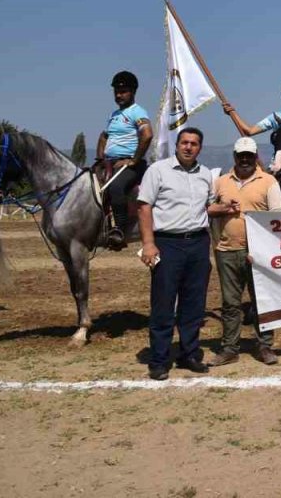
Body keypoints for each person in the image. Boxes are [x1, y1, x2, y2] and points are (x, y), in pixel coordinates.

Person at [136, 127, 214, 380]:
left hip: (199, 243)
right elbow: (144, 207)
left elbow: (208, 207)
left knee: (194, 304)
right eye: (184, 143)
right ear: (177, 145)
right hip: (167, 244)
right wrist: (148, 243)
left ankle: (189, 354)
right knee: (164, 303)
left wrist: (224, 207)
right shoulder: (157, 171)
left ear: (200, 147)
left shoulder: (205, 175)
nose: (189, 147)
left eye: (194, 143)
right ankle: (159, 359)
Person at [207, 137, 281, 367]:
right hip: (226, 250)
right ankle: (230, 348)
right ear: (234, 157)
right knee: (230, 303)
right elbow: (208, 209)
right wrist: (222, 208)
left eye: (248, 156)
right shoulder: (220, 182)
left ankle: (265, 345)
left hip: (258, 253)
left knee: (262, 300)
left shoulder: (269, 181)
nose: (244, 160)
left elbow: (277, 218)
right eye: (241, 156)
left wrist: (265, 249)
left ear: (255, 157)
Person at [95, 70, 153, 251]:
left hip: (129, 165)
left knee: (115, 187)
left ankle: (119, 231)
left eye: (123, 91)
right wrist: (99, 158)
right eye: (116, 92)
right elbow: (104, 136)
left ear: (133, 92)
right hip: (110, 163)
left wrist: (134, 160)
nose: (119, 95)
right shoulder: (114, 115)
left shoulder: (138, 112)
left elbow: (147, 135)